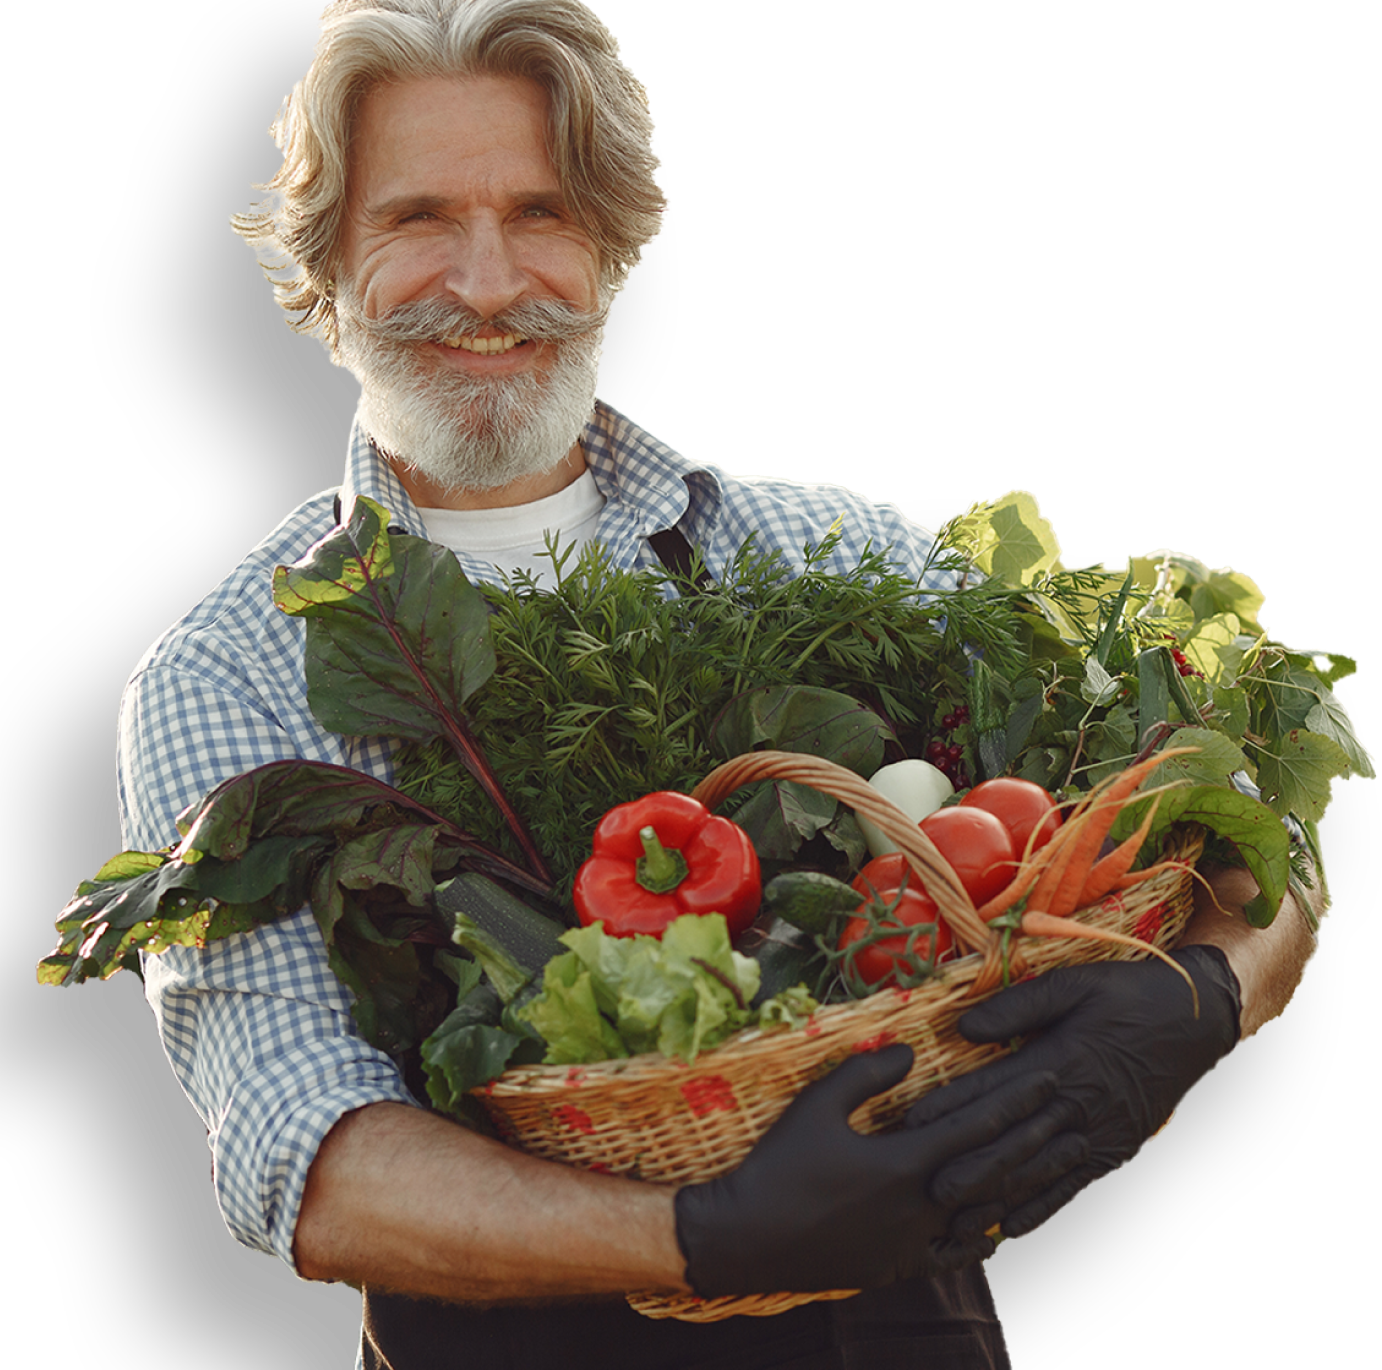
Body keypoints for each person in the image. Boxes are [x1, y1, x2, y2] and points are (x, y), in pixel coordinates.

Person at [117, 3, 1321, 1366]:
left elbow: (1243, 829)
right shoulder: (227, 668)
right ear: (325, 265)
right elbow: (306, 1160)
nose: (492, 278)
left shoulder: (830, 550)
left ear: (614, 241)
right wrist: (710, 1234)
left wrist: (1205, 999)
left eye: (541, 212)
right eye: (416, 220)